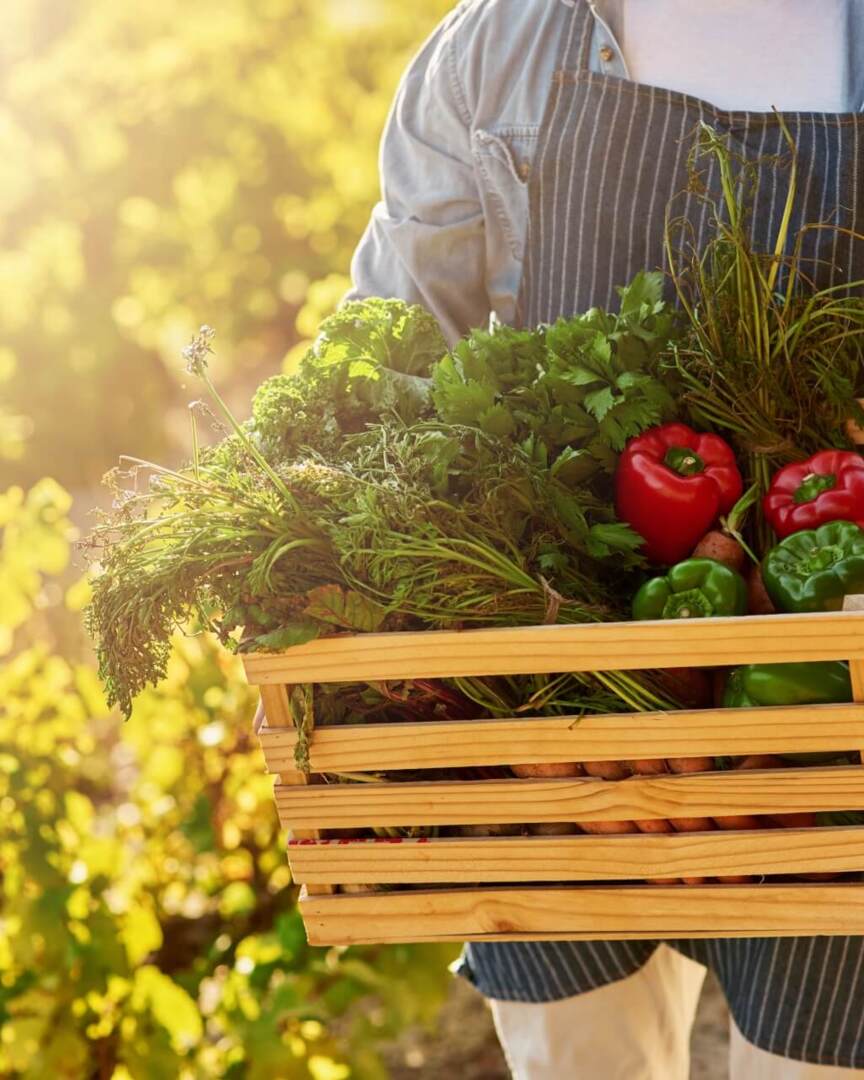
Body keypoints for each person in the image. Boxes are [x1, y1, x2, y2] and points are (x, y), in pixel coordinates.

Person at [338, 1, 864, 1076]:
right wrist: (573, 698)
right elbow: (384, 386)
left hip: (838, 731)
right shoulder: (497, 54)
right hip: (555, 732)